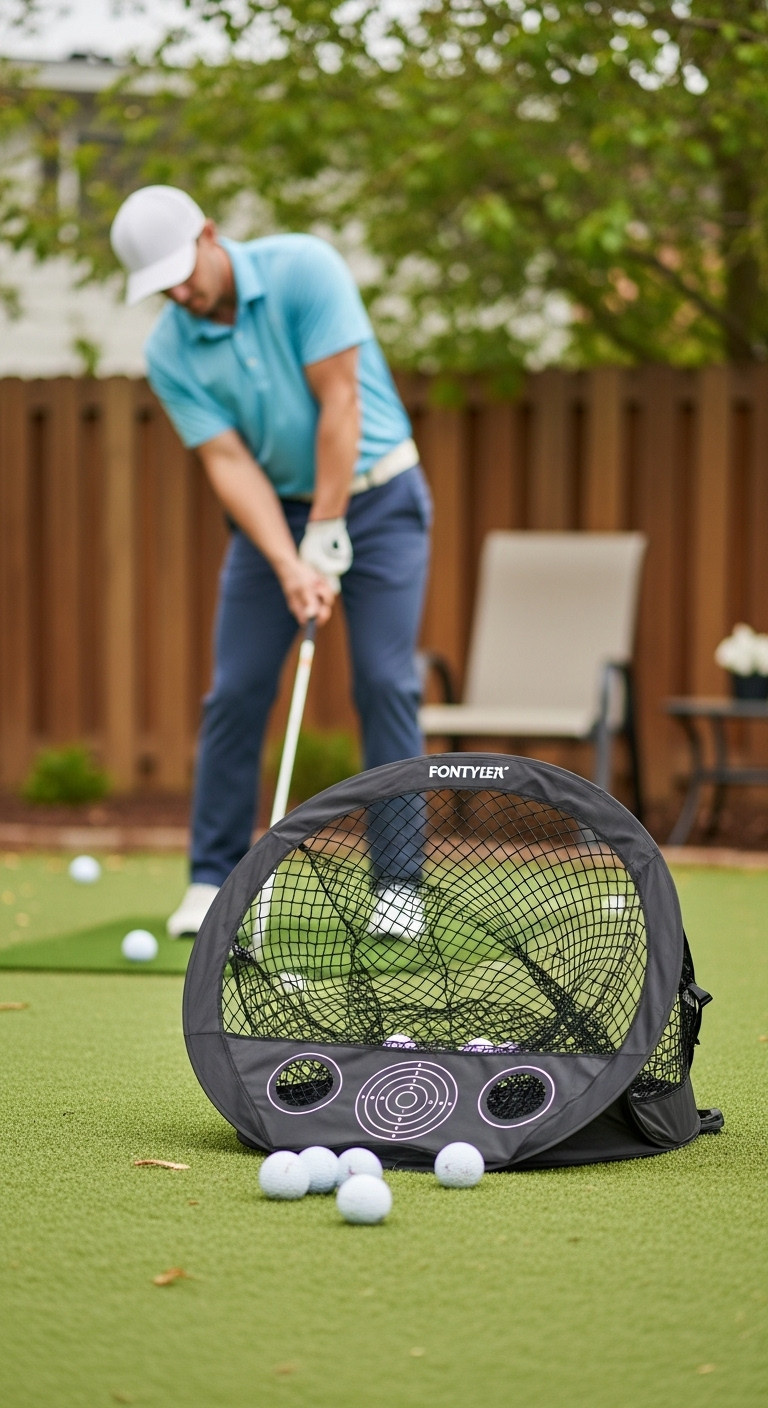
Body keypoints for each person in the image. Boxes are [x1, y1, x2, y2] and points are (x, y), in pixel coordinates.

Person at [110, 185, 432, 939]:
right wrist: (292, 560)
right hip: (276, 515)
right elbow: (228, 462)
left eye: (183, 273)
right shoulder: (169, 349)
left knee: (385, 681)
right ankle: (211, 878)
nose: (180, 293)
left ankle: (399, 888)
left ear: (211, 236)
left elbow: (341, 404)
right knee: (235, 691)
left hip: (380, 496)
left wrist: (326, 529)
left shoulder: (303, 270)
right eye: (162, 287)